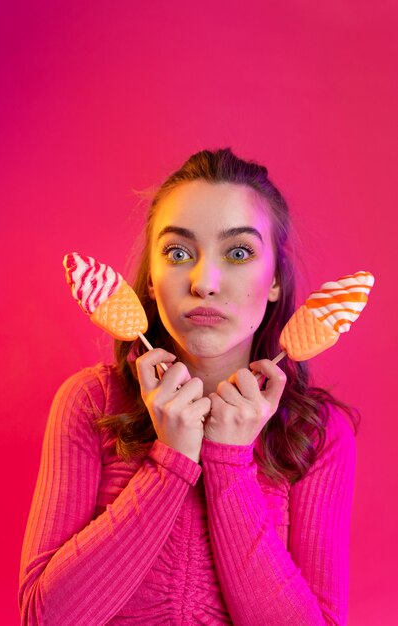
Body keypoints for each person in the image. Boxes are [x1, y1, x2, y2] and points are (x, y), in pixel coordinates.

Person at [19, 148, 358, 625]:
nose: (204, 282)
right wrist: (170, 461)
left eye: (238, 252)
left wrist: (228, 462)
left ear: (276, 278)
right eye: (178, 253)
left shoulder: (319, 433)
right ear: (153, 281)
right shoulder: (90, 402)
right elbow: (44, 619)